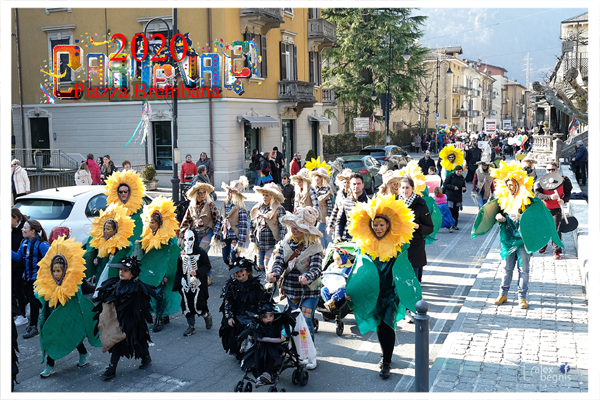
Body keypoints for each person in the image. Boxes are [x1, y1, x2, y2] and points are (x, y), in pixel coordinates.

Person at [343, 194, 422, 379]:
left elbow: (405, 270)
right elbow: (358, 269)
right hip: (374, 294)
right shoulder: (365, 245)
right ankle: (385, 353)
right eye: (375, 225)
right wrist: (351, 289)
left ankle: (386, 362)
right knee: (379, 327)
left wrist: (410, 293)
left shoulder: (398, 244)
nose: (378, 228)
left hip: (391, 294)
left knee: (388, 325)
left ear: (388, 225)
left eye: (381, 224)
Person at [473, 160, 562, 310]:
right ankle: (503, 294)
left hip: (523, 239)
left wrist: (522, 218)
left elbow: (537, 215)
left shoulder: (528, 199)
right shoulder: (502, 199)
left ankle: (522, 297)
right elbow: (497, 213)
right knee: (507, 269)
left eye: (513, 185)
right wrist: (498, 218)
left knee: (523, 269)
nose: (510, 187)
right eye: (507, 185)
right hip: (507, 238)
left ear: (518, 185)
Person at [33, 237, 99, 378]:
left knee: (70, 334)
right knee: (53, 334)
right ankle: (50, 364)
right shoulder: (49, 283)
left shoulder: (73, 283)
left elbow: (78, 300)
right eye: (54, 271)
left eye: (59, 271)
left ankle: (82, 353)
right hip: (53, 315)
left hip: (69, 314)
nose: (56, 273)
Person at [267, 207, 323, 370]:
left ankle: (310, 355)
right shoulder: (286, 242)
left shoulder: (314, 246)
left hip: (310, 290)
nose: (294, 229)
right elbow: (279, 262)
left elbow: (317, 268)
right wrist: (274, 274)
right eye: (292, 225)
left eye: (297, 226)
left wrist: (308, 277)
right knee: (292, 322)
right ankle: (296, 351)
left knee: (305, 322)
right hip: (292, 289)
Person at [93, 256, 155, 380]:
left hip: (133, 321)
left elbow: (141, 306)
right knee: (117, 341)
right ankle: (112, 368)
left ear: (132, 274)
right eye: (120, 270)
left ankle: (145, 357)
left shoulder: (137, 287)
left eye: (125, 270)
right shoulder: (114, 283)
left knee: (138, 339)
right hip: (118, 320)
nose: (121, 272)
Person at [398, 176, 434, 322]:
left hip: (415, 248)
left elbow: (430, 228)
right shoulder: (395, 203)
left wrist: (418, 227)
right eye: (402, 187)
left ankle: (413, 309)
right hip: (399, 249)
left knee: (413, 282)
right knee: (401, 281)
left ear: (412, 188)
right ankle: (404, 309)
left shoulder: (420, 204)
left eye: (407, 187)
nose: (404, 190)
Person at [219, 258, 268, 360]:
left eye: (241, 271)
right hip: (237, 315)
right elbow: (228, 302)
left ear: (248, 272)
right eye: (237, 271)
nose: (238, 274)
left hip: (251, 315)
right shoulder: (232, 285)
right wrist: (230, 317)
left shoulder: (256, 286)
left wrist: (258, 315)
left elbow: (262, 302)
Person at [11, 220, 50, 339]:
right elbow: (18, 257)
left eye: (25, 228)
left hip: (38, 280)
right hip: (28, 279)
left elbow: (49, 262)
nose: (22, 230)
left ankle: (33, 326)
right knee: (35, 302)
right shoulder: (24, 242)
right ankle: (44, 322)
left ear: (33, 231)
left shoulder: (42, 245)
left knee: (34, 302)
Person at [239, 302, 294, 387]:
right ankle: (258, 373)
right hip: (262, 345)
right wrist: (250, 338)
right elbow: (252, 330)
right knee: (255, 353)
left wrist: (283, 334)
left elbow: (288, 326)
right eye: (265, 317)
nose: (268, 319)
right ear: (261, 318)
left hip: (276, 346)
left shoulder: (278, 322)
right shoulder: (259, 325)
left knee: (270, 355)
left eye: (271, 316)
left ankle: (267, 373)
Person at [174, 229, 212, 336]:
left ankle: (206, 316)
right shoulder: (181, 254)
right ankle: (191, 325)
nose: (187, 242)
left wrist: (198, 272)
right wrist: (177, 285)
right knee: (187, 305)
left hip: (198, 284)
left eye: (190, 239)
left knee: (199, 304)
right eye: (185, 239)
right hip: (185, 284)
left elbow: (207, 266)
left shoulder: (201, 253)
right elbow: (179, 270)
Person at [533, 162, 572, 259]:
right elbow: (538, 194)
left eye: (553, 169)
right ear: (546, 170)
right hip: (544, 208)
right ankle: (543, 244)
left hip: (557, 208)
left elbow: (568, 193)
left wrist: (564, 200)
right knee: (543, 228)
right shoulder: (541, 181)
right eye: (549, 170)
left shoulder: (564, 180)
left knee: (556, 229)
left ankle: (556, 250)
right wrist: (549, 197)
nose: (551, 171)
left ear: (557, 170)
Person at [247, 183, 287, 271]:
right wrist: (252, 240)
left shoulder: (279, 209)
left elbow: (283, 227)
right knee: (260, 266)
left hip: (272, 243)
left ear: (272, 197)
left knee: (268, 266)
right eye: (263, 195)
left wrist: (280, 243)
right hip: (260, 244)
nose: (264, 197)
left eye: (267, 195)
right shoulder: (259, 207)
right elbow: (253, 225)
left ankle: (270, 283)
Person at [213, 176, 249, 266]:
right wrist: (216, 235)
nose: (229, 193)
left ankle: (233, 277)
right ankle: (236, 271)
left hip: (235, 236)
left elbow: (243, 226)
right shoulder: (224, 204)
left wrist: (241, 242)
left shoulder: (241, 208)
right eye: (228, 191)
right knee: (225, 258)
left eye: (231, 192)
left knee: (233, 258)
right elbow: (220, 220)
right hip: (225, 236)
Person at [180, 181, 219, 252]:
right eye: (200, 193)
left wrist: (217, 234)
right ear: (196, 194)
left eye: (204, 192)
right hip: (195, 233)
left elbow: (217, 220)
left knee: (202, 249)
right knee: (194, 253)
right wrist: (182, 235)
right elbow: (185, 222)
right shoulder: (191, 207)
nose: (202, 195)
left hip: (207, 232)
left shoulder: (211, 205)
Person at [337, 173, 369, 242]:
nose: (356, 186)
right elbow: (340, 221)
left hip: (364, 240)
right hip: (348, 238)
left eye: (358, 184)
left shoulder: (369, 202)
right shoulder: (346, 202)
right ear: (350, 185)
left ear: (363, 185)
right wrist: (338, 235)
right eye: (354, 184)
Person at [11, 208, 29, 327]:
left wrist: (24, 269)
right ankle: (17, 312)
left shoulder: (23, 230)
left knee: (18, 290)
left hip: (19, 267)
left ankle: (22, 314)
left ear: (16, 218)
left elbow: (21, 254)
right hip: (12, 265)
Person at [310, 167, 334, 248]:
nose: (316, 182)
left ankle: (327, 249)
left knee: (323, 233)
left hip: (324, 216)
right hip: (316, 216)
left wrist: (329, 217)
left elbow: (330, 205)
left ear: (322, 180)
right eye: (315, 180)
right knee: (321, 233)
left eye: (318, 180)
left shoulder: (328, 190)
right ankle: (324, 249)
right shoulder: (315, 189)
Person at [327, 168, 353, 242]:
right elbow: (335, 211)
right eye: (345, 182)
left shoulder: (353, 195)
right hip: (339, 226)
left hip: (350, 227)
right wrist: (330, 225)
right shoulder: (339, 194)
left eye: (348, 182)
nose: (346, 185)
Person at [443, 165, 467, 230]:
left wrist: (464, 189)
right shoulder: (451, 176)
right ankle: (449, 225)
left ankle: (455, 225)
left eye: (460, 171)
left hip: (458, 197)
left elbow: (464, 186)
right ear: (455, 171)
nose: (459, 173)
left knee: (456, 212)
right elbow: (445, 185)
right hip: (450, 196)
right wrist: (453, 187)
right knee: (450, 211)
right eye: (458, 171)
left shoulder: (462, 178)